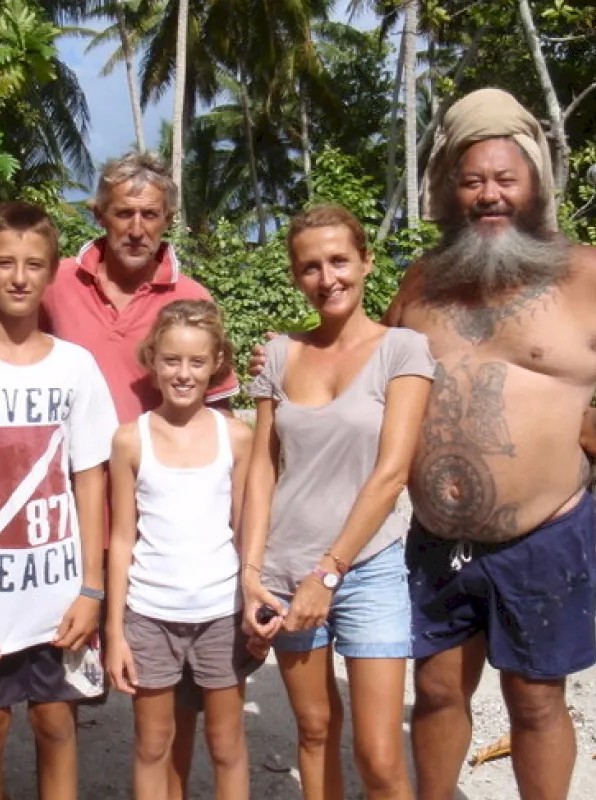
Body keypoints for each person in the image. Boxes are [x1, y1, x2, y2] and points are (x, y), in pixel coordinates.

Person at [252, 87, 596, 800]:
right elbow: (365, 368)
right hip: (434, 543)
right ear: (449, 190)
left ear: (533, 185)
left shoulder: (584, 274)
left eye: (506, 179)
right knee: (437, 693)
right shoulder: (422, 281)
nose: (489, 196)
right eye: (472, 181)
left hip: (545, 535)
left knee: (534, 700)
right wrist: (287, 358)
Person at [41, 152, 239, 799]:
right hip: (66, 521)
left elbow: (222, 421)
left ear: (167, 220)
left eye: (149, 214)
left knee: (169, 716)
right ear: (99, 214)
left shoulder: (192, 298)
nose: (135, 226)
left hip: (157, 544)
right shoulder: (58, 284)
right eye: (122, 212)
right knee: (60, 695)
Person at [0, 201, 118, 800]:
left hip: (60, 597)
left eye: (34, 264)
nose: (18, 276)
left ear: (52, 271)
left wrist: (91, 589)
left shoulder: (76, 367)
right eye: (3, 262)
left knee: (57, 724)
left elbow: (90, 479)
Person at [242, 205, 435, 800]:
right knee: (315, 728)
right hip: (283, 566)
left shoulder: (403, 350)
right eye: (310, 266)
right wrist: (250, 574)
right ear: (295, 275)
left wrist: (326, 575)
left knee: (379, 757)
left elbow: (391, 473)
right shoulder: (278, 355)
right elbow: (260, 472)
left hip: (366, 567)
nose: (327, 278)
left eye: (339, 261)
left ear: (366, 262)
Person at [106, 299, 254, 800]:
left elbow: (245, 528)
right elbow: (122, 537)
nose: (184, 374)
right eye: (172, 361)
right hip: (149, 616)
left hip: (220, 614)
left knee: (227, 743)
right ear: (153, 361)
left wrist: (255, 603)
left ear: (217, 364)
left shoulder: (236, 436)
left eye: (196, 362)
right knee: (152, 744)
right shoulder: (130, 440)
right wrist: (114, 631)